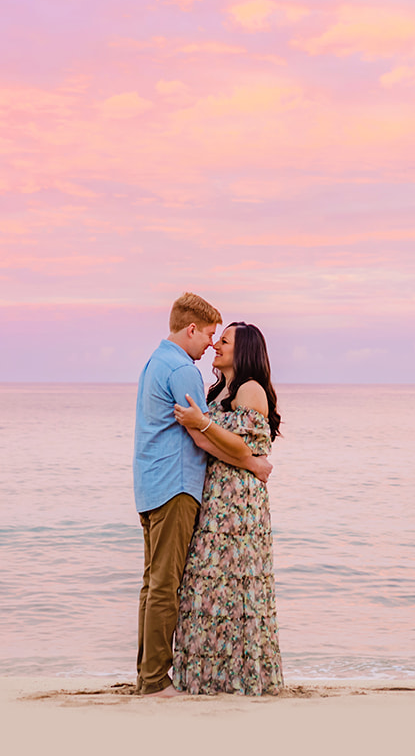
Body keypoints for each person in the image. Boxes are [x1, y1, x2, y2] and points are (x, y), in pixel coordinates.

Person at [133, 294, 271, 697]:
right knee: (164, 586)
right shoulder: (182, 369)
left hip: (156, 487)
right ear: (191, 329)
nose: (211, 344)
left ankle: (149, 676)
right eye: (212, 334)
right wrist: (252, 463)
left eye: (221, 340)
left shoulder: (155, 363)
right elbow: (199, 433)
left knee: (155, 584)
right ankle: (156, 681)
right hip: (176, 487)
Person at [170, 321, 284, 695]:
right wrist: (245, 457)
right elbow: (212, 447)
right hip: (219, 497)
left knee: (236, 587)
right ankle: (209, 678)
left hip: (239, 504)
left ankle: (241, 679)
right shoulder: (220, 391)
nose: (216, 345)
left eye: (225, 340)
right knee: (207, 586)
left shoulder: (251, 390)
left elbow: (239, 447)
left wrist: (202, 422)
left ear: (245, 349)